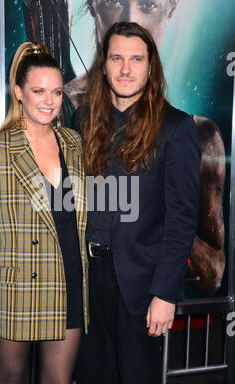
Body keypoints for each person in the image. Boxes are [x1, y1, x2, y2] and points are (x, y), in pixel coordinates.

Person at [73, 21, 201, 384]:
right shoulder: (83, 119)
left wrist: (165, 295)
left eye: (136, 59)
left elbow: (181, 220)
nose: (125, 69)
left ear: (150, 67)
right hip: (85, 282)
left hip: (141, 287)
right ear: (104, 64)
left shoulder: (175, 127)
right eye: (116, 58)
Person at [65, 0, 225, 296]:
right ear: (92, 8)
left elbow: (213, 276)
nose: (131, 18)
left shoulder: (189, 131)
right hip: (81, 290)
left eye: (149, 4)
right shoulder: (68, 114)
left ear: (172, 9)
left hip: (138, 292)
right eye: (113, 2)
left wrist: (156, 213)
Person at [0, 41, 88, 384]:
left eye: (56, 92)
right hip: (15, 290)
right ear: (19, 93)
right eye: (38, 91)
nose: (49, 100)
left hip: (68, 284)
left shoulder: (73, 142)